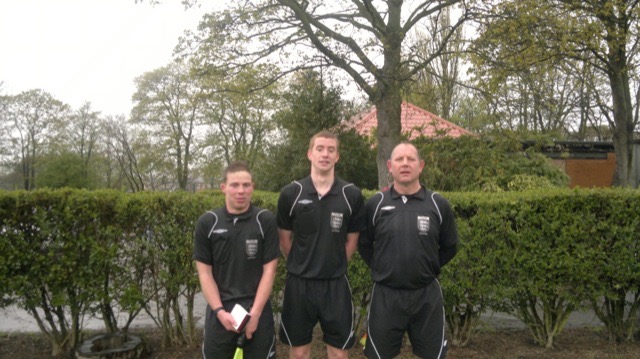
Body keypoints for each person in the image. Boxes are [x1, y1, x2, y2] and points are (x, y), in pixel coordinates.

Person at [358, 142, 458, 359]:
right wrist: (383, 267)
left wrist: (427, 267)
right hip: (385, 296)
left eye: (410, 159)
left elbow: (450, 246)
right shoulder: (375, 204)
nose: (405, 164)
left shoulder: (437, 204)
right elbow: (364, 244)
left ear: (420, 165)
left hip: (426, 297)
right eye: (399, 159)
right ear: (389, 166)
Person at [277, 130, 365, 359]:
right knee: (298, 351)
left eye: (331, 150)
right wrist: (301, 262)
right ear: (309, 153)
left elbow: (352, 240)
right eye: (320, 149)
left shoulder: (351, 194)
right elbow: (284, 239)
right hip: (299, 283)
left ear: (337, 156)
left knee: (338, 352)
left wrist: (332, 263)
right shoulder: (291, 193)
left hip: (335, 284)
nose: (325, 154)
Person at [193, 161, 280, 359]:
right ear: (223, 187)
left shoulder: (265, 220)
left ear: (252, 187)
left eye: (246, 185)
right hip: (220, 314)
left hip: (257, 312)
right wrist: (220, 311)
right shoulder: (207, 223)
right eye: (235, 185)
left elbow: (270, 271)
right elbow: (204, 274)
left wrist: (255, 314)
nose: (241, 190)